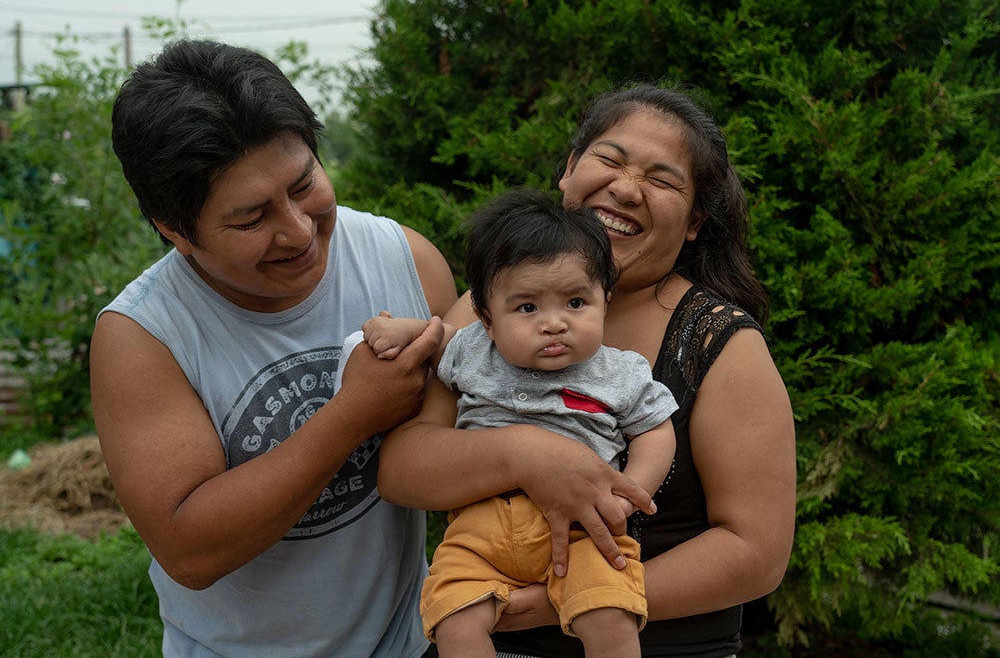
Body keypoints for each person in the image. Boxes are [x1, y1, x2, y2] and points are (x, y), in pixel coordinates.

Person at [376, 85, 797, 656]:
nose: (626, 188)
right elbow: (402, 470)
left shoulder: (720, 343)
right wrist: (526, 453)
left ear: (695, 220)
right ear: (570, 170)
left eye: (662, 179)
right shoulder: (493, 308)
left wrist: (567, 601)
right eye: (610, 159)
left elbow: (756, 553)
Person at [89, 39, 457, 657]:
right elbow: (190, 549)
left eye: (304, 183)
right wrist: (350, 416)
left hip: (413, 643)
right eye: (251, 218)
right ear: (176, 231)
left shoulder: (405, 260)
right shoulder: (143, 336)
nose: (297, 230)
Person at [362, 188, 678, 657]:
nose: (554, 324)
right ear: (488, 320)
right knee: (453, 616)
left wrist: (627, 494)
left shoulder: (620, 371)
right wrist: (401, 331)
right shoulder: (475, 352)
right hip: (480, 530)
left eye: (575, 302)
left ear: (604, 300)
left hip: (583, 526)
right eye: (527, 308)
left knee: (611, 611)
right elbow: (437, 337)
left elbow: (655, 428)